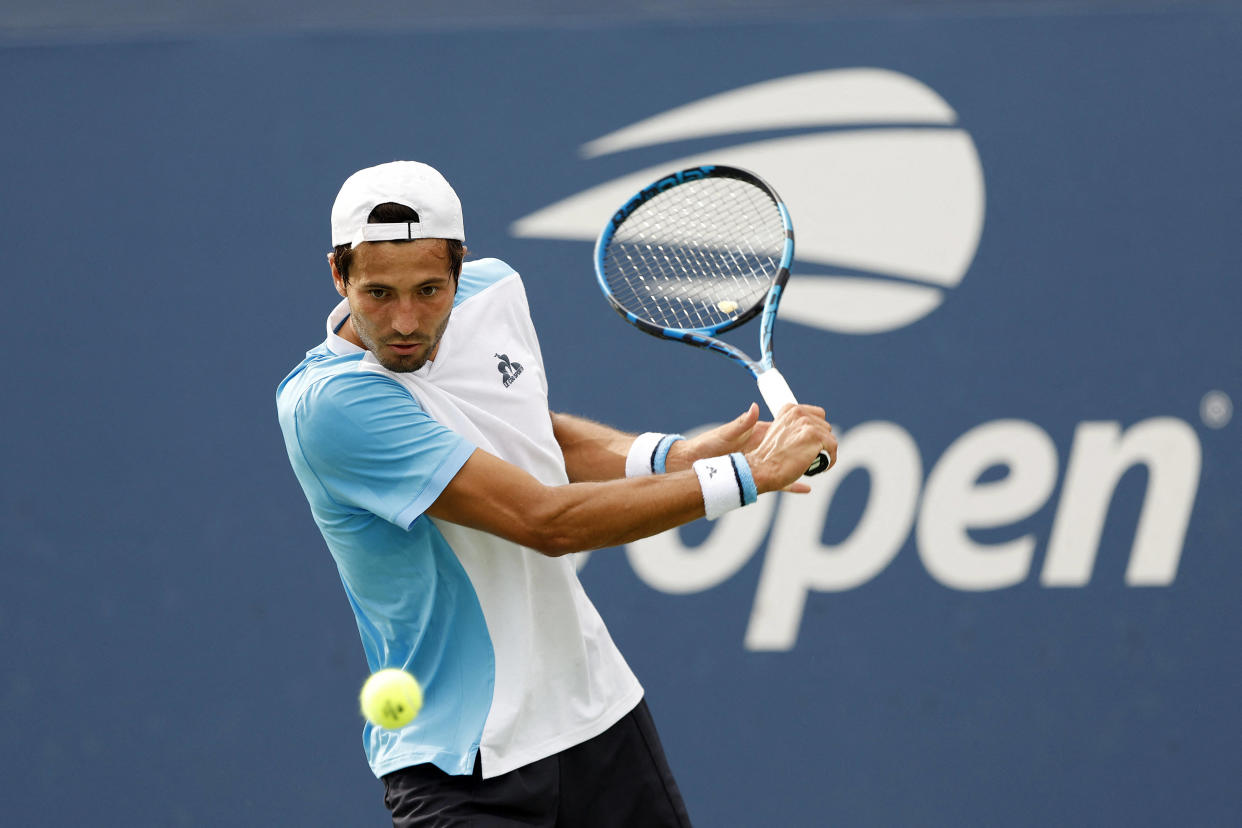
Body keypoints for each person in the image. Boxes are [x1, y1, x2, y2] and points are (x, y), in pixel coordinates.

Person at [276, 160, 836, 827]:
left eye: (429, 290)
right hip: (466, 772)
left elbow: (523, 433)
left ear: (461, 267)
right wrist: (748, 477)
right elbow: (544, 520)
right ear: (339, 275)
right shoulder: (331, 406)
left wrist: (672, 454)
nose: (405, 321)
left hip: (599, 719)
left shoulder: (495, 295)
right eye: (378, 293)